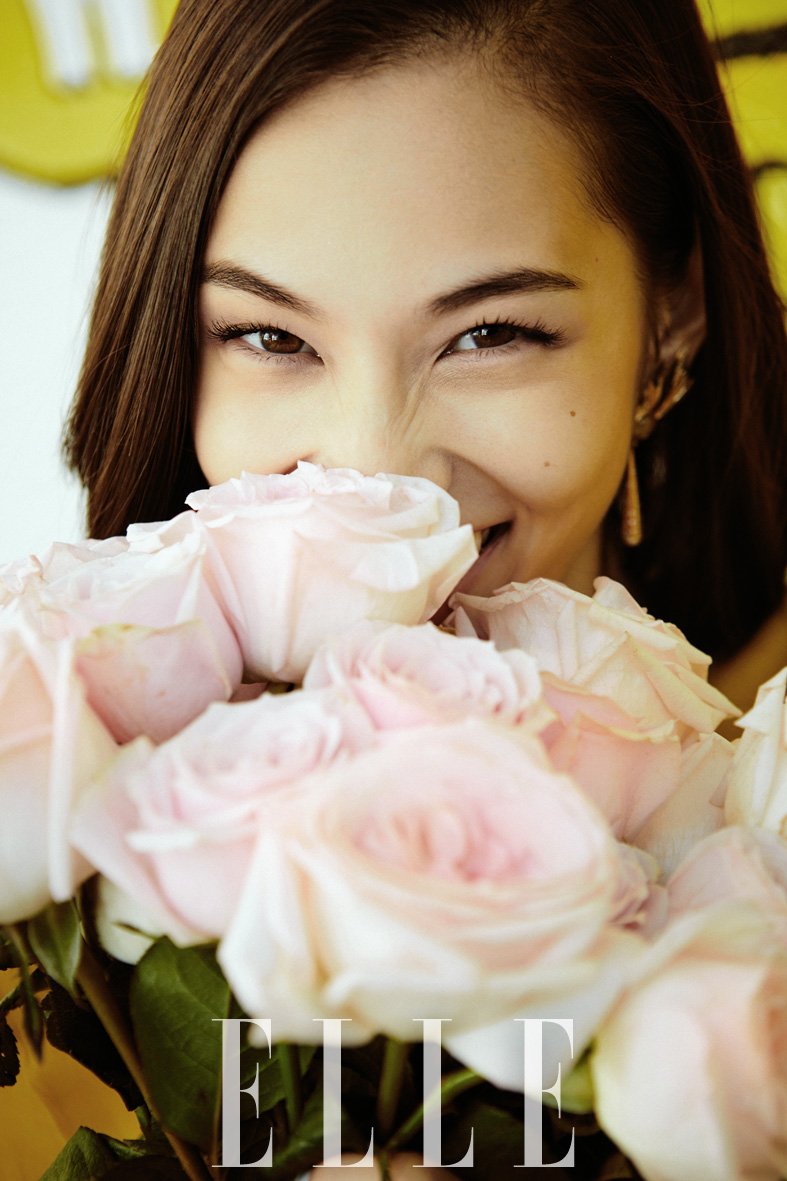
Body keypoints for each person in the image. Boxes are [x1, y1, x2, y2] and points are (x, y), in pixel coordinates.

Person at [51, 1, 787, 1173]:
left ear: (671, 315)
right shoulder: (60, 906)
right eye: (270, 338)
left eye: (489, 332)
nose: (374, 468)